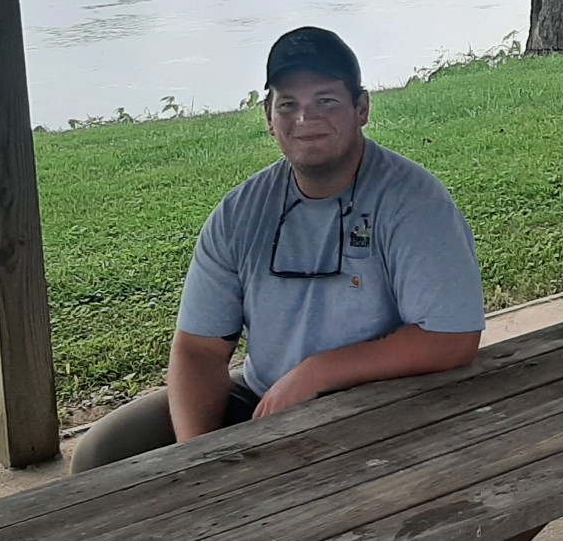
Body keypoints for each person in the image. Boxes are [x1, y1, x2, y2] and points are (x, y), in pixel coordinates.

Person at [71, 26, 486, 473]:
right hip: (266, 396)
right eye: (288, 104)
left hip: (383, 400)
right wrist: (202, 459)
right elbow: (199, 349)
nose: (305, 119)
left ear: (362, 108)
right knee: (103, 453)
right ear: (269, 117)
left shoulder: (415, 203)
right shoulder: (238, 214)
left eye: (326, 100)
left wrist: (317, 373)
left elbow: (451, 340)